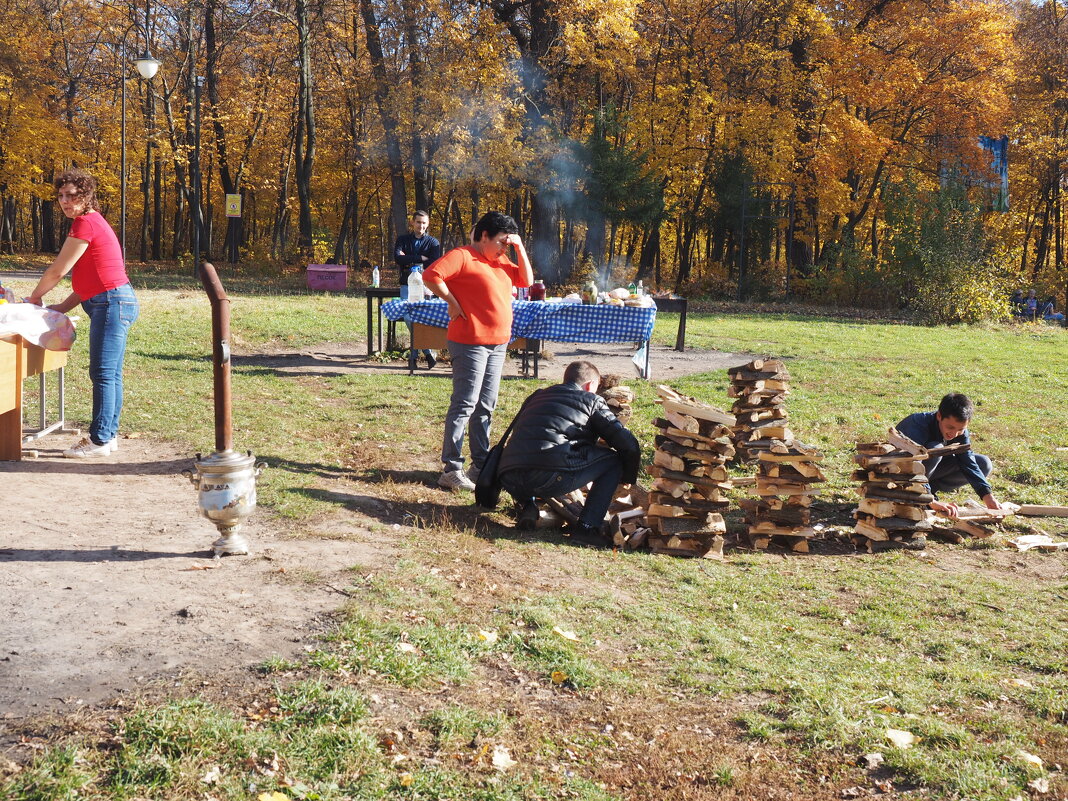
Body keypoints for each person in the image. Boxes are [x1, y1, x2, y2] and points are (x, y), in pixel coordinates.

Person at [26, 168, 139, 458]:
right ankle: (107, 437)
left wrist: (36, 297)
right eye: (61, 196)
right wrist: (61, 307)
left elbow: (58, 270)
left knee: (103, 373)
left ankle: (99, 440)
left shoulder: (85, 224)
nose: (65, 201)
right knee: (109, 374)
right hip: (113, 300)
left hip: (112, 303)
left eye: (71, 195)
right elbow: (91, 279)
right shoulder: (90, 223)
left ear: (86, 195)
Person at [422, 211, 532, 490]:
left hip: (498, 343)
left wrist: (518, 247)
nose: (503, 247)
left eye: (507, 244)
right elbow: (431, 275)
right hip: (470, 342)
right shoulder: (463, 255)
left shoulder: (502, 260)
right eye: (500, 241)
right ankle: (451, 468)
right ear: (484, 236)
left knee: (486, 406)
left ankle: (479, 465)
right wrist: (451, 300)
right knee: (465, 404)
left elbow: (527, 281)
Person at [498, 360, 640, 546]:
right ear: (590, 385)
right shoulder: (592, 400)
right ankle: (587, 529)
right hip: (547, 476)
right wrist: (628, 478)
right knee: (613, 462)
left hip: (508, 477)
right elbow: (628, 445)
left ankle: (529, 506)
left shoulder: (537, 395)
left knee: (535, 456)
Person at [896, 393, 1002, 520]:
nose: (954, 433)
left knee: (983, 464)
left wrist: (987, 495)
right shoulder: (917, 426)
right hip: (900, 477)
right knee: (936, 450)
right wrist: (929, 500)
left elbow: (968, 462)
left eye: (961, 429)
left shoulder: (959, 432)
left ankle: (930, 490)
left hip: (929, 474)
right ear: (939, 415)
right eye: (950, 427)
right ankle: (920, 496)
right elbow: (910, 466)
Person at [394, 210, 442, 368]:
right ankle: (428, 354)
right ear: (412, 223)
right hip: (406, 284)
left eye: (424, 223)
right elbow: (397, 258)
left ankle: (413, 357)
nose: (421, 225)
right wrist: (421, 258)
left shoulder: (433, 243)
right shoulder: (403, 239)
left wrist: (408, 259)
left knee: (421, 317)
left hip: (426, 287)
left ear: (427, 224)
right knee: (408, 317)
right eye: (418, 222)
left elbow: (434, 263)